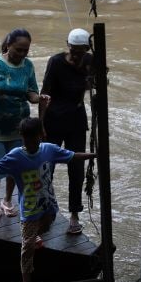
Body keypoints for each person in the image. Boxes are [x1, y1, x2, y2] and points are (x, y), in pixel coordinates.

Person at [0, 117, 96, 282]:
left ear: (41, 135)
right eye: (27, 138)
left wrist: (94, 155)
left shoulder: (49, 150)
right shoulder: (16, 156)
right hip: (30, 211)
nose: (31, 142)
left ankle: (34, 236)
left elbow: (73, 156)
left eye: (34, 138)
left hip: (49, 206)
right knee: (27, 248)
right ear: (21, 137)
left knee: (46, 227)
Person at [0, 28, 50, 224]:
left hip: (19, 126)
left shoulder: (28, 66)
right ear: (8, 46)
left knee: (16, 165)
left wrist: (39, 98)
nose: (22, 54)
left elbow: (31, 93)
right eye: (19, 50)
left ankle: (7, 200)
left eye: (26, 50)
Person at [39, 28, 93, 234]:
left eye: (82, 51)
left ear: (87, 49)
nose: (77, 55)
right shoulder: (55, 61)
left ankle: (74, 214)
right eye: (74, 50)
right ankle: (44, 210)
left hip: (76, 121)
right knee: (46, 167)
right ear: (67, 46)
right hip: (54, 120)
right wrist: (41, 124)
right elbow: (45, 93)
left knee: (76, 168)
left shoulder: (90, 61)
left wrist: (92, 82)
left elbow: (98, 84)